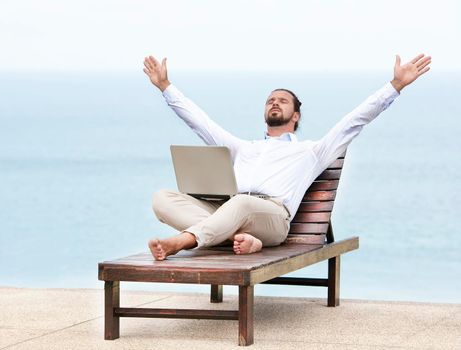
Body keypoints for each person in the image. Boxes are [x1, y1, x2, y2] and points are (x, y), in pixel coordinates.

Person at [143, 54, 431, 261]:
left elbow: (354, 121)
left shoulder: (310, 151)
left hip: (272, 219)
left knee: (242, 202)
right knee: (162, 197)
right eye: (270, 100)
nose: (274, 102)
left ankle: (181, 242)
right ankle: (236, 240)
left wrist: (395, 85)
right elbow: (199, 122)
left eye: (282, 100)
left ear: (295, 116)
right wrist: (165, 87)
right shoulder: (243, 147)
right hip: (230, 214)